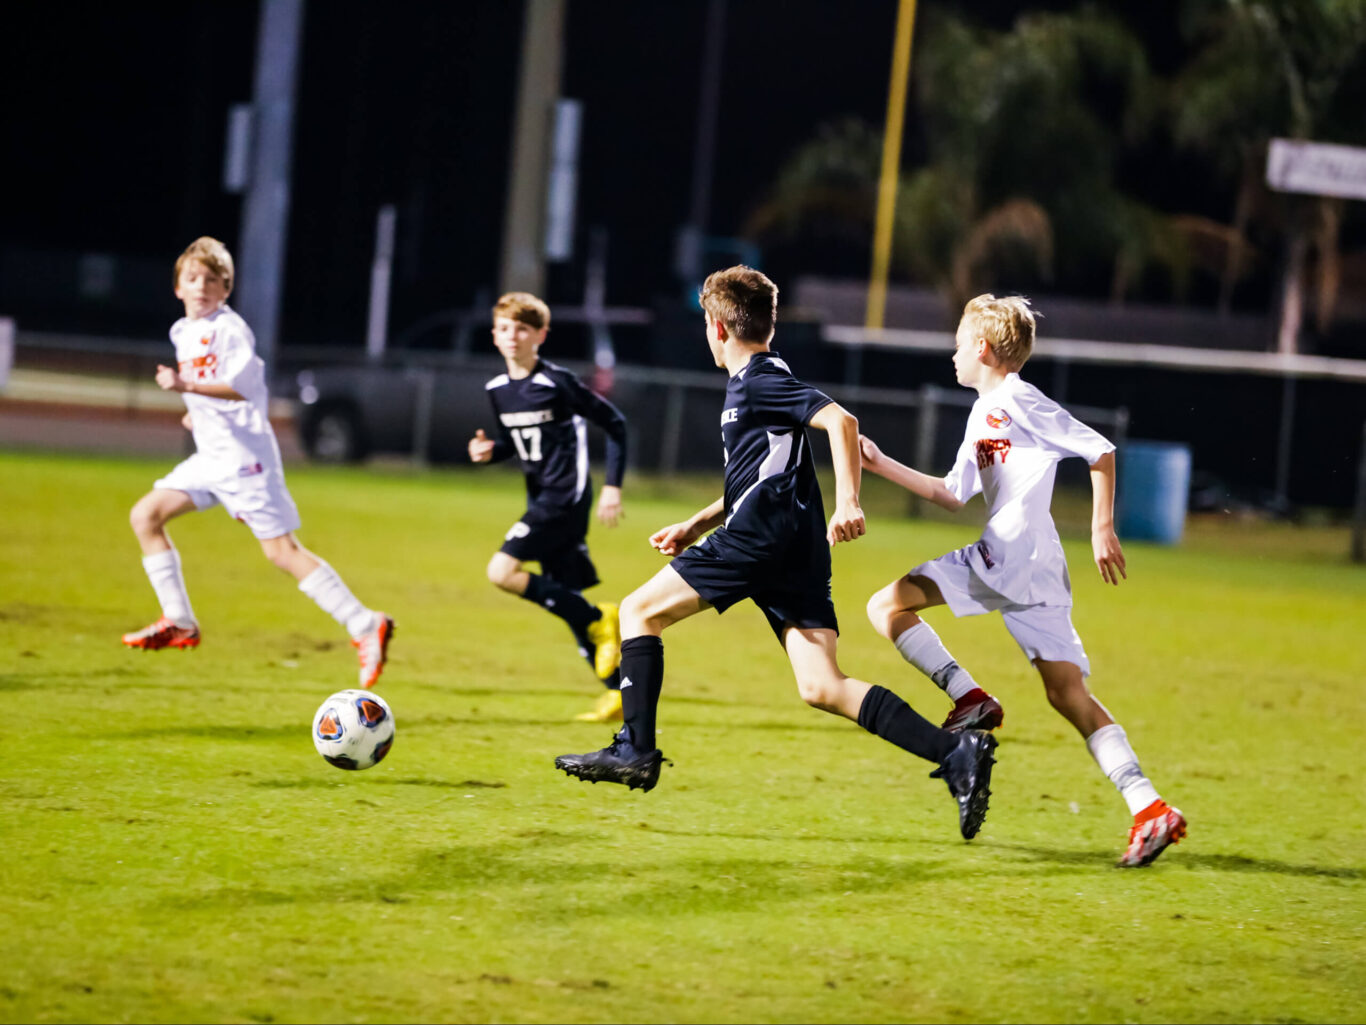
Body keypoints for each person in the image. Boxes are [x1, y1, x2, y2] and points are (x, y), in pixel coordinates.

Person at [555, 266, 998, 840]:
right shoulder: (764, 377)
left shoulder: (759, 380)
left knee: (639, 612)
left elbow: (841, 421)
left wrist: (848, 502)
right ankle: (956, 752)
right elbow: (761, 472)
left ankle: (634, 750)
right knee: (822, 685)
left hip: (760, 541)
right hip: (791, 548)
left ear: (716, 327)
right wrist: (697, 521)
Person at [859, 293, 1186, 867]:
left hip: (1010, 556)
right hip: (1035, 567)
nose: (953, 355)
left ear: (982, 349)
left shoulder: (1018, 399)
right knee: (1066, 693)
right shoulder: (983, 411)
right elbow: (951, 493)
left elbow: (1100, 450)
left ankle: (970, 697)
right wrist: (881, 463)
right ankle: (1149, 807)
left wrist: (1101, 527)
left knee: (885, 607)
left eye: (959, 344)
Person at [122, 237, 395, 689]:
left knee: (281, 552)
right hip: (211, 456)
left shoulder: (230, 330)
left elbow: (243, 385)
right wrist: (196, 408)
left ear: (226, 288)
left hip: (245, 460)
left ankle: (366, 623)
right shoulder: (182, 332)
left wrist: (183, 385)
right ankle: (180, 621)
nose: (202, 286)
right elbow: (211, 389)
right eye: (193, 278)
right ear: (178, 288)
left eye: (213, 279)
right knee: (145, 516)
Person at [468, 292, 629, 723]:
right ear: (495, 336)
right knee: (565, 597)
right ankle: (619, 694)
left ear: (540, 335)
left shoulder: (557, 382)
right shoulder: (498, 391)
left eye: (523, 328)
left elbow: (615, 423)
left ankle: (603, 617)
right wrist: (492, 451)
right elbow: (524, 444)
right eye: (505, 328)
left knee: (502, 571)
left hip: (566, 498)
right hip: (540, 497)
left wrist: (612, 487)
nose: (513, 336)